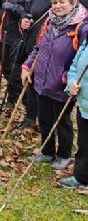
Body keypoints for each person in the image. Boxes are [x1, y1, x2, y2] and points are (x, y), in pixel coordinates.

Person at [17, 0, 88, 130]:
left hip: (63, 61)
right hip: (38, 50)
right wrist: (24, 20)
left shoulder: (82, 0)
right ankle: (31, 118)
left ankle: (57, 136)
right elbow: (29, 12)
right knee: (35, 88)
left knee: (56, 104)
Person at [22, 0, 88, 171]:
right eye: (54, 2)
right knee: (44, 118)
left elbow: (82, 59)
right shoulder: (49, 22)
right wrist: (27, 65)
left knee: (62, 121)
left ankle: (64, 154)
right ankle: (47, 151)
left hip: (63, 84)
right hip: (42, 81)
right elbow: (38, 48)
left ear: (73, 2)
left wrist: (68, 78)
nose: (57, 6)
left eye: (62, 2)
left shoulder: (81, 27)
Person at [0, 0, 48, 113]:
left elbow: (34, 14)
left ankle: (26, 105)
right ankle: (12, 99)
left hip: (19, 37)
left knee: (17, 72)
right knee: (6, 69)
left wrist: (16, 9)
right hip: (4, 34)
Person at [60, 37, 88, 189]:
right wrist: (72, 83)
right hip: (84, 104)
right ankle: (81, 176)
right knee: (84, 144)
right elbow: (75, 67)